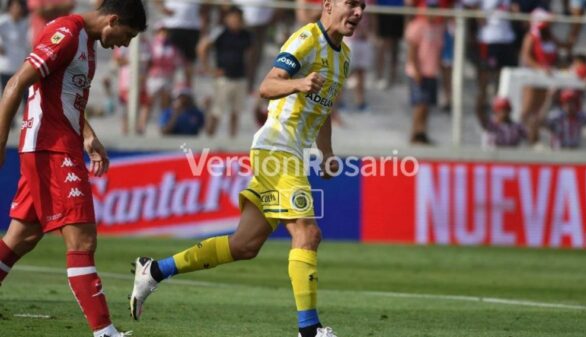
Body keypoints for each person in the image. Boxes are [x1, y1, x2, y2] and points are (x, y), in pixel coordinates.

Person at [129, 1, 365, 337]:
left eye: (363, 6)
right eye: (351, 3)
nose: (358, 11)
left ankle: (154, 270)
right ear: (327, 5)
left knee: (244, 245)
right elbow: (267, 86)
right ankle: (309, 330)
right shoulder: (306, 39)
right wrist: (297, 84)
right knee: (307, 233)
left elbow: (322, 109)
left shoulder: (344, 57)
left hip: (291, 152)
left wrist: (326, 151)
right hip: (277, 147)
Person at [0, 1, 147, 337]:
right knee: (82, 242)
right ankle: (104, 331)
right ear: (112, 20)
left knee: (21, 236)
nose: (124, 45)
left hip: (59, 144)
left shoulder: (86, 43)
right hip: (50, 149)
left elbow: (64, 98)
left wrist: (89, 135)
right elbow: (15, 85)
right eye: (126, 35)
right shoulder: (65, 33)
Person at [198, 6, 252, 138]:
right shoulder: (220, 32)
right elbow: (202, 47)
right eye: (233, 18)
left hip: (240, 77)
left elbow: (250, 55)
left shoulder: (246, 35)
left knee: (236, 112)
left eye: (238, 18)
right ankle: (209, 139)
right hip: (223, 78)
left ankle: (232, 140)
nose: (235, 21)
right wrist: (208, 69)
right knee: (216, 111)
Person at [520, 8, 569, 144]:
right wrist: (541, 68)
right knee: (528, 110)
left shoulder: (549, 36)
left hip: (546, 78)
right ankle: (524, 138)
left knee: (539, 112)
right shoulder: (531, 36)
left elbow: (563, 47)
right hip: (533, 77)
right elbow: (526, 57)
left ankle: (534, 139)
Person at [405, 1, 445, 144]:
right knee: (419, 105)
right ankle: (415, 133)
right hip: (420, 71)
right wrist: (416, 70)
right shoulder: (417, 25)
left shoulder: (438, 27)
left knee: (427, 105)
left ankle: (423, 133)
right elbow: (412, 50)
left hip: (431, 71)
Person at [0, 0, 30, 106]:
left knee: (26, 97)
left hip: (21, 67)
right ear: (9, 7)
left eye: (20, 6)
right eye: (16, 6)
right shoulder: (3, 21)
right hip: (6, 67)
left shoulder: (25, 23)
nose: (19, 9)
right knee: (7, 99)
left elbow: (28, 42)